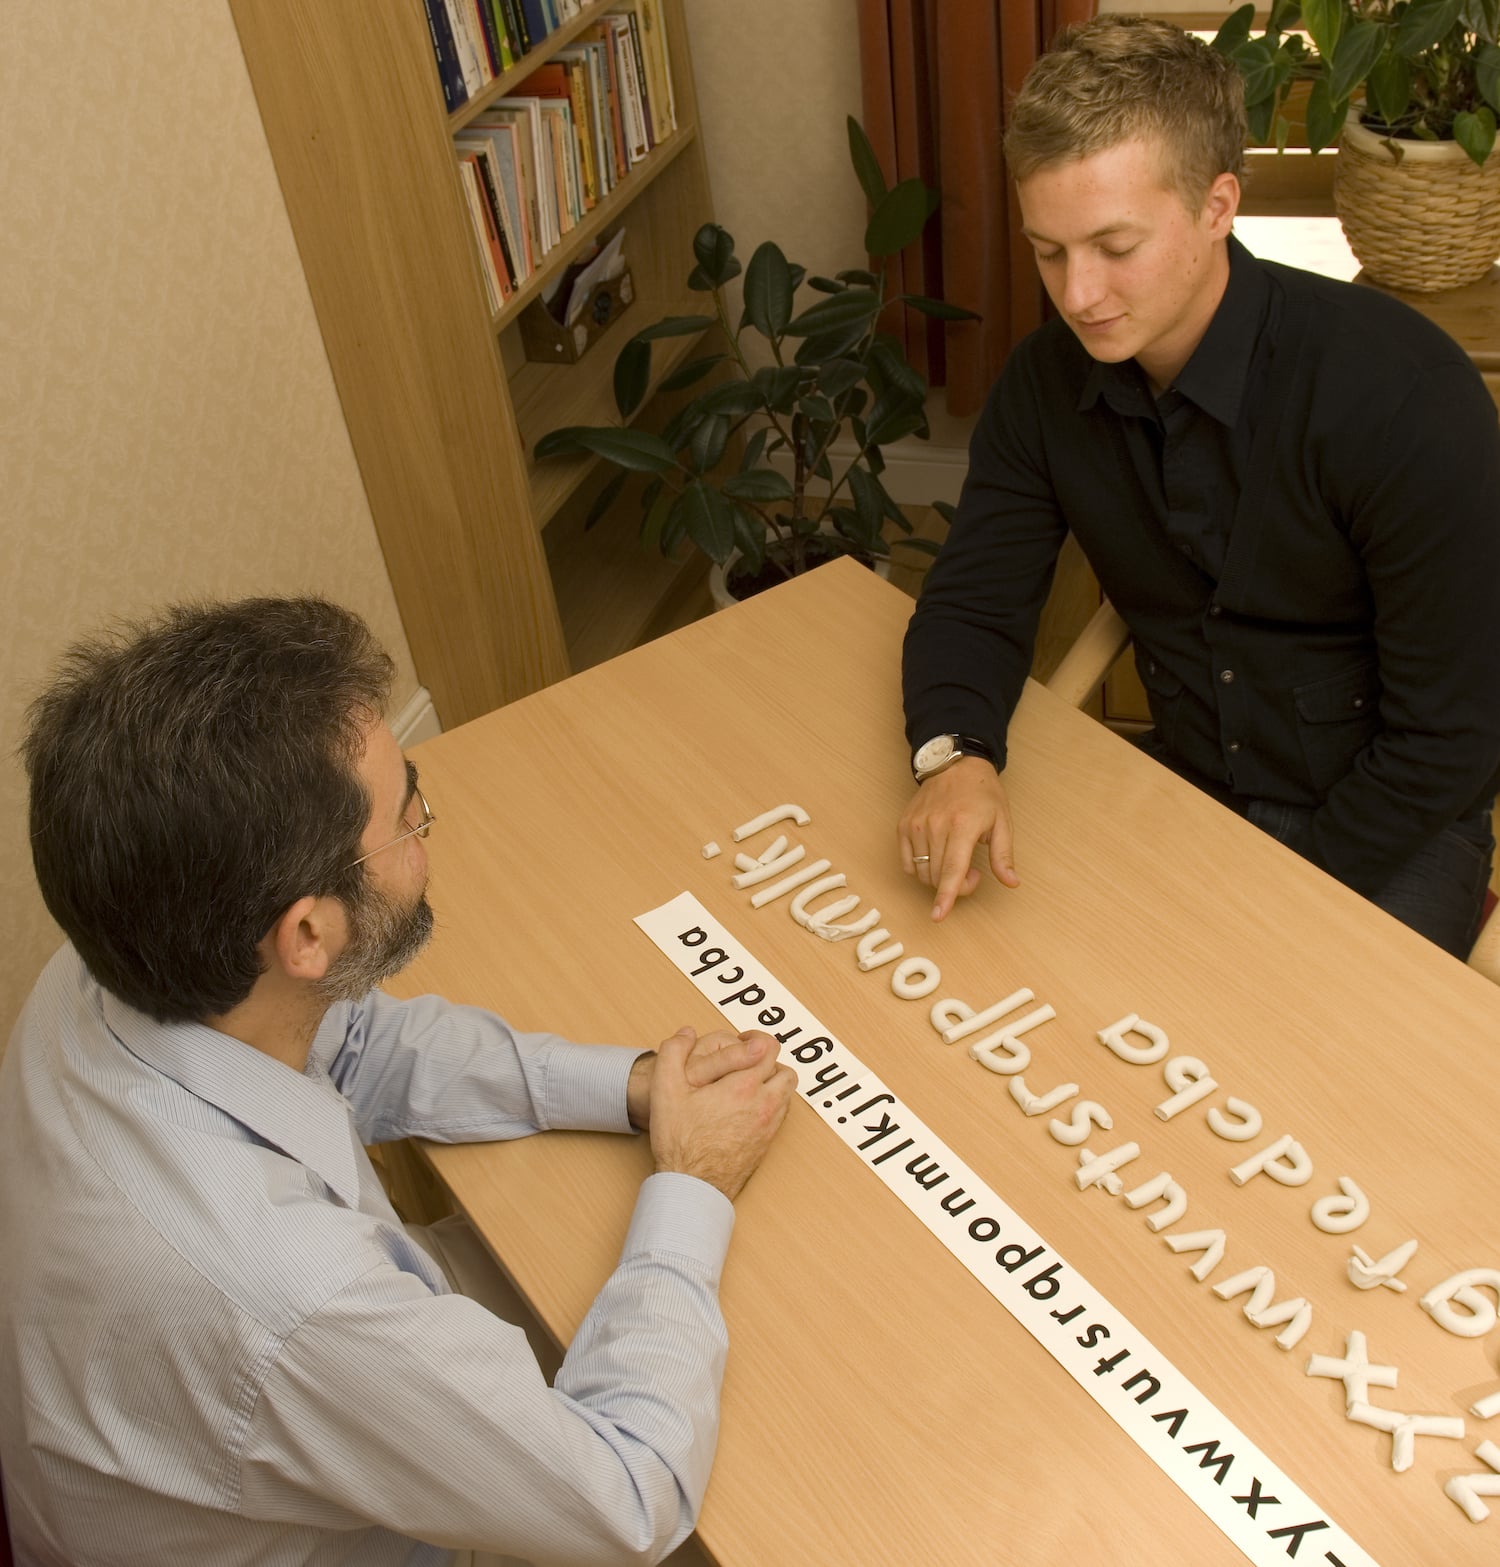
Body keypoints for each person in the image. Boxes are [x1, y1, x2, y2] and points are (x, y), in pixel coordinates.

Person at [0, 596, 795, 1566]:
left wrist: (633, 1084)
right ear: (306, 933)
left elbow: (356, 1041)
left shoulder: (120, 950)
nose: (424, 829)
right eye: (406, 814)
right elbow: (627, 1496)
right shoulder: (291, 1297)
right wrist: (693, 1180)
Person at [899, 15, 1500, 958]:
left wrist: (1259, 905)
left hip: (1391, 818)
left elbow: (1450, 741)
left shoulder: (1402, 396)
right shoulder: (1043, 385)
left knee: (1284, 1042)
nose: (1077, 295)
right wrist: (956, 757)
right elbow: (973, 602)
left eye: (1114, 246)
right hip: (1187, 782)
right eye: (1048, 251)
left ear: (1219, 205)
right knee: (989, 974)